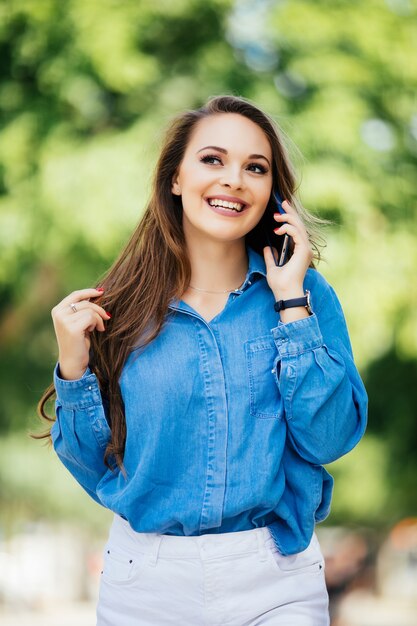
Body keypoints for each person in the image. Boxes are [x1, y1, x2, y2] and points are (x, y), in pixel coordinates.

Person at [38, 95, 368, 626]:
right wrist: (74, 369)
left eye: (255, 168)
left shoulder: (305, 297)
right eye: (213, 160)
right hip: (146, 581)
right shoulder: (116, 310)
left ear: (272, 193)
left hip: (276, 576)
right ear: (175, 178)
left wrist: (291, 306)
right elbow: (93, 466)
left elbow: (329, 438)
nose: (234, 179)